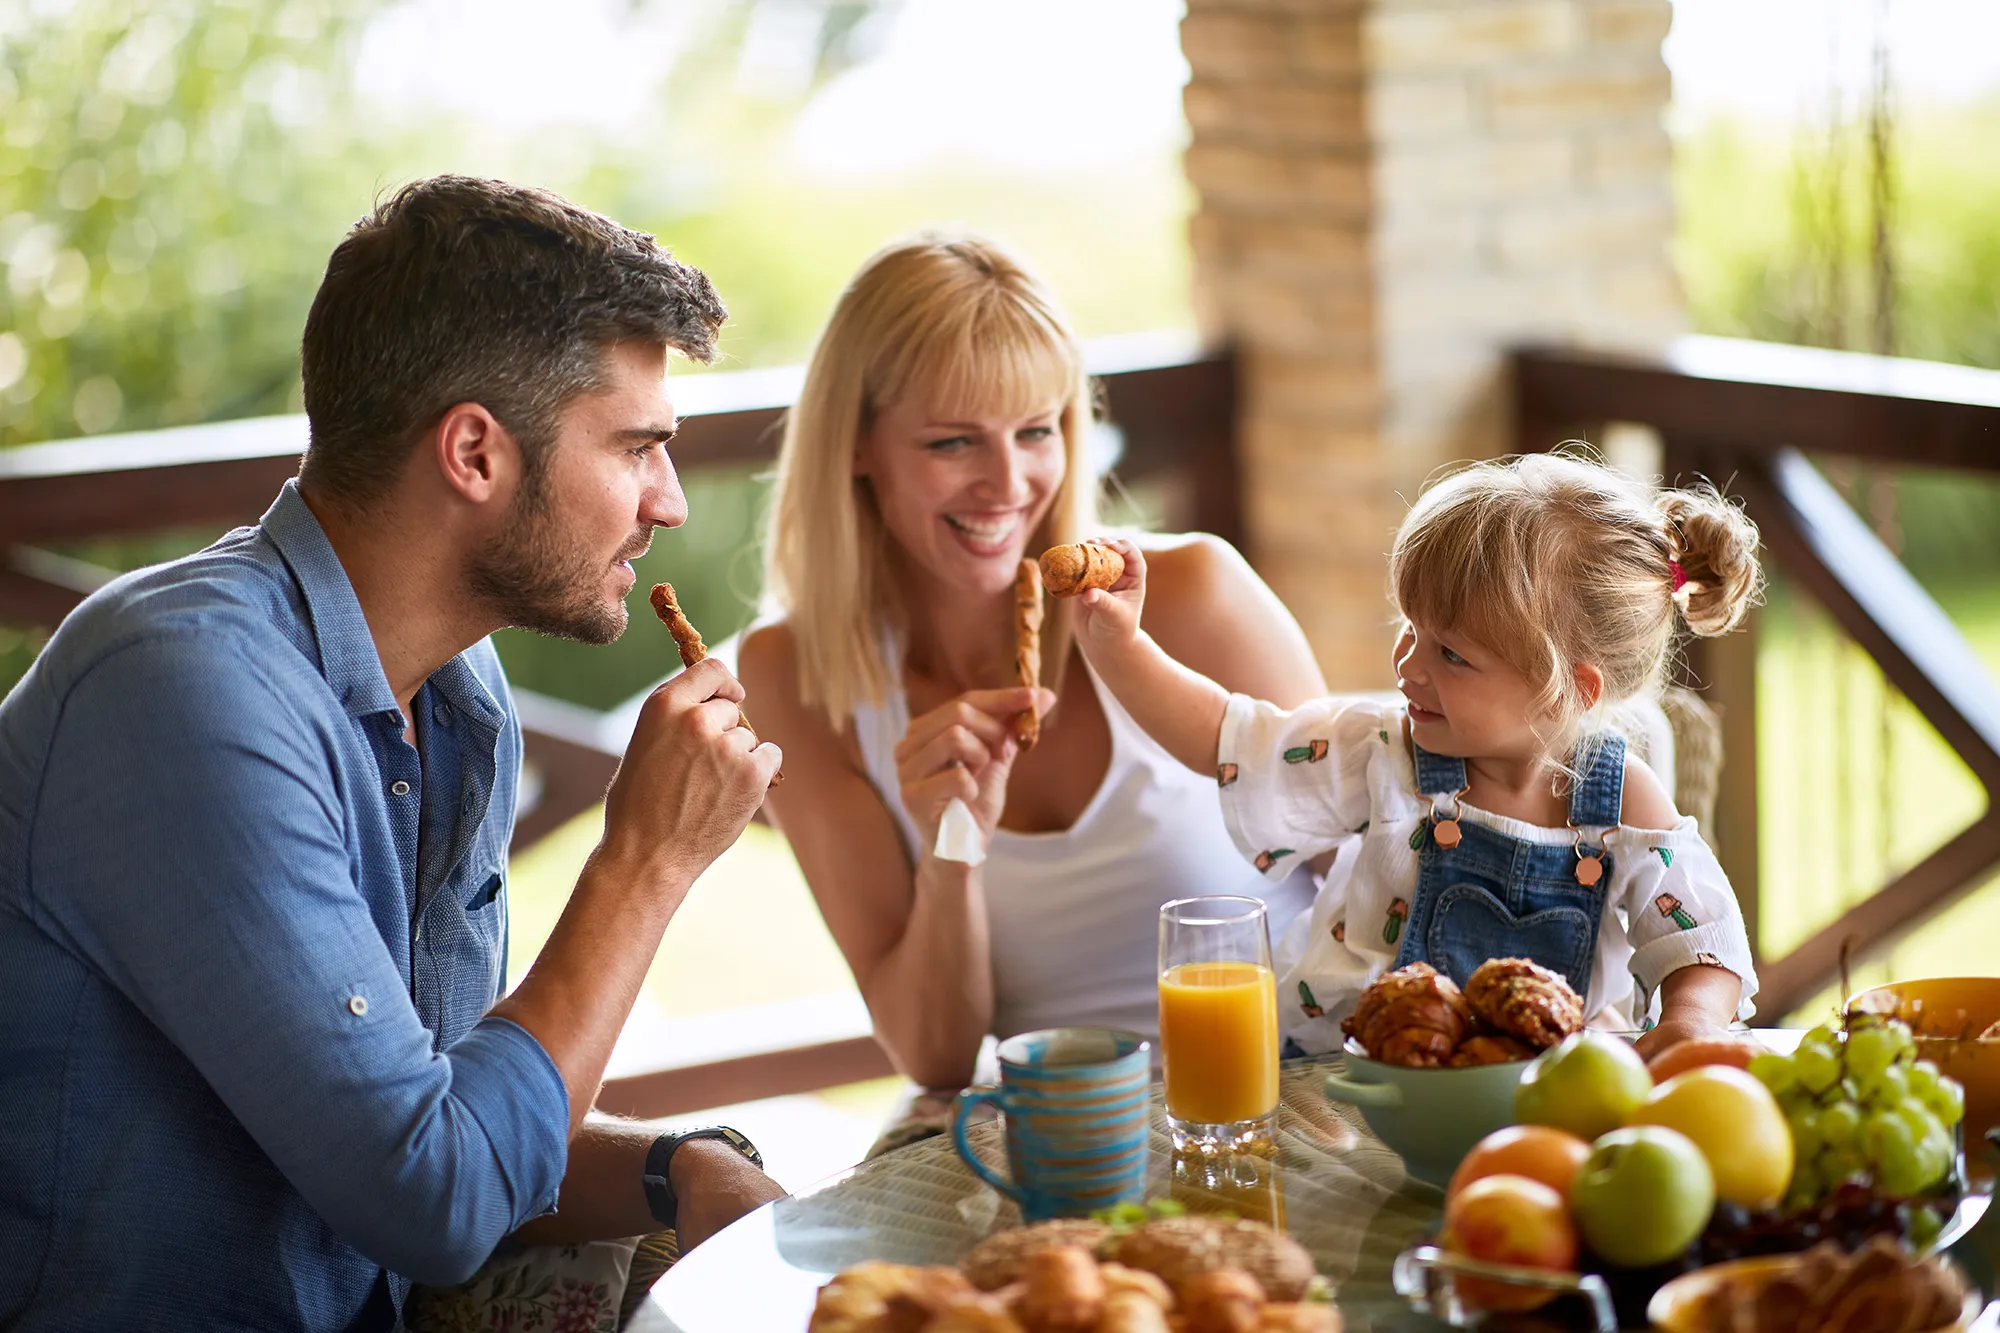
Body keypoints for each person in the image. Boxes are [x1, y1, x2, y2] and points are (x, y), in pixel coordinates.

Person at [0, 177, 786, 1331]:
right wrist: (646, 861)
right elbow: (436, 1198)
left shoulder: (459, 695)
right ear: (473, 450)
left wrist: (677, 1166)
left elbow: (443, 1116)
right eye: (637, 446)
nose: (667, 497)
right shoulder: (182, 692)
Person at [737, 233, 1326, 1117]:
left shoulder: (1195, 594)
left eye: (1037, 429)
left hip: (1295, 1090)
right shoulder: (794, 674)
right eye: (952, 442)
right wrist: (952, 847)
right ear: (857, 446)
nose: (1009, 484)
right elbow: (934, 1053)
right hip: (1061, 1126)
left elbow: (1377, 862)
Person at [1065, 453, 1763, 1057]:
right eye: (1411, 628)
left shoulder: (1621, 804)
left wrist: (1691, 1016)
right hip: (1336, 1082)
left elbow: (1701, 935)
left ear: (1572, 691)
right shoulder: (1383, 751)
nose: (1408, 666)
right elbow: (1230, 738)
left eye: (1452, 653)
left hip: (1531, 1094)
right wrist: (1121, 650)